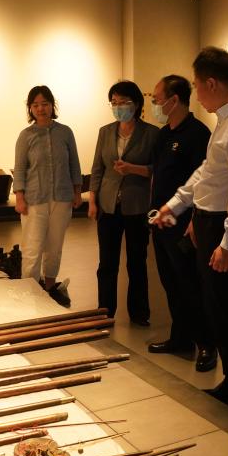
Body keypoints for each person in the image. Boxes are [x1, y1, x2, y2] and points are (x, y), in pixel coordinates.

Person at [154, 47, 228, 418]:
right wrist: (176, 204)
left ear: (212, 83)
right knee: (219, 311)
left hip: (223, 227)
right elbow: (208, 173)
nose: (197, 94)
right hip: (210, 223)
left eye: (197, 86)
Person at [145, 74, 217, 372]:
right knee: (171, 283)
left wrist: (194, 221)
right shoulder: (164, 135)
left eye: (157, 99)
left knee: (191, 285)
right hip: (161, 221)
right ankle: (181, 338)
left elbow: (203, 182)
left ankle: (207, 344)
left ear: (174, 101)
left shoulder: (198, 134)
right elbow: (157, 175)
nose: (154, 104)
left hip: (184, 223)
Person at [88, 80, 159, 325]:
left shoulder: (151, 134)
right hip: (108, 205)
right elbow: (97, 168)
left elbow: (156, 169)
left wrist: (132, 169)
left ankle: (139, 313)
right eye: (114, 103)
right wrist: (93, 200)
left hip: (137, 205)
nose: (119, 107)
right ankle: (104, 312)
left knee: (137, 262)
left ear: (136, 104)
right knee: (107, 263)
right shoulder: (105, 131)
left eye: (124, 102)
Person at [13, 85, 82, 306]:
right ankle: (30, 291)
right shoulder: (26, 136)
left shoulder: (65, 132)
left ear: (52, 105)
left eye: (45, 104)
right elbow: (20, 168)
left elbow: (74, 164)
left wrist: (77, 191)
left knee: (54, 247)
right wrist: (19, 197)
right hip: (34, 200)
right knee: (32, 248)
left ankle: (50, 287)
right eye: (35, 105)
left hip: (62, 198)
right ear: (30, 108)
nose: (40, 109)